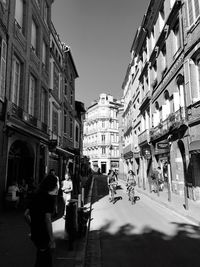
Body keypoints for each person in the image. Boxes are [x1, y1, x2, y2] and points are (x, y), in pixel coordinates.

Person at [24, 174, 58, 267]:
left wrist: (32, 225)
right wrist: (52, 239)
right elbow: (48, 219)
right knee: (44, 259)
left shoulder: (35, 195)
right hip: (43, 233)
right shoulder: (49, 198)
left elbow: (26, 214)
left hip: (35, 232)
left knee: (41, 257)